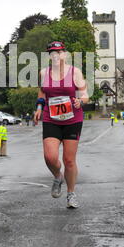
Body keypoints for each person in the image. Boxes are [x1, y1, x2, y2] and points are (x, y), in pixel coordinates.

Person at [34, 41, 89, 209]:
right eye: (52, 52)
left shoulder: (75, 72)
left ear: (65, 54)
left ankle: (71, 194)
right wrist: (38, 107)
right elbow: (42, 91)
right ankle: (58, 176)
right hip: (51, 118)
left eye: (58, 52)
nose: (55, 55)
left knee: (69, 160)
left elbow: (85, 95)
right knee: (50, 157)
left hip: (72, 119)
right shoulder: (44, 72)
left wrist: (80, 101)